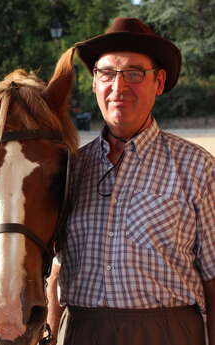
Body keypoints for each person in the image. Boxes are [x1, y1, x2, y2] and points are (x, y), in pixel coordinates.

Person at [47, 17, 215, 345]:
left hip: (169, 333)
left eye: (134, 74)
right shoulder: (72, 170)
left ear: (159, 82)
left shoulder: (195, 167)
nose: (118, 87)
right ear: (95, 83)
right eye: (106, 73)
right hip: (85, 333)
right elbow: (55, 274)